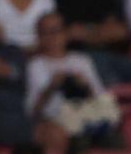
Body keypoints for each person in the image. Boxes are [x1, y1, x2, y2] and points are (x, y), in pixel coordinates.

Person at [25, 11, 118, 141]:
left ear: (65, 33)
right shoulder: (35, 65)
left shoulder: (81, 60)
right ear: (39, 37)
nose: (52, 37)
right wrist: (52, 86)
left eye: (56, 31)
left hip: (86, 116)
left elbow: (100, 96)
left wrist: (84, 85)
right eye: (46, 32)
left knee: (114, 137)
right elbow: (33, 111)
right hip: (57, 124)